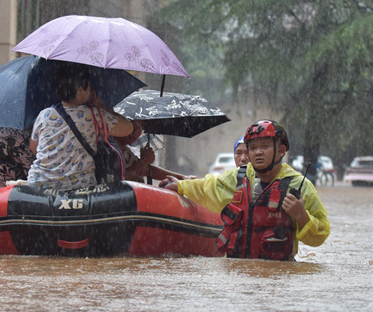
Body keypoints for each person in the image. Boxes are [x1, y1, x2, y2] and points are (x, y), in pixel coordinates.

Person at [161, 119, 329, 261]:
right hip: (238, 274)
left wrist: (301, 216)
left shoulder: (299, 186)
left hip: (277, 278)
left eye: (264, 146)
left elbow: (320, 235)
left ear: (281, 150)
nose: (258, 153)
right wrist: (181, 185)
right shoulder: (237, 177)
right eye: (253, 148)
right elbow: (208, 187)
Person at [27, 63, 133, 191]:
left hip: (40, 185)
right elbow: (128, 128)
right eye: (88, 86)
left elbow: (34, 148)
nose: (90, 90)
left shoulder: (45, 115)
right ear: (80, 91)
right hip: (79, 188)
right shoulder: (95, 115)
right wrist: (101, 106)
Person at [114, 120, 191, 183]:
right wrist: (143, 161)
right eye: (134, 125)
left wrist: (183, 178)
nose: (137, 131)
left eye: (142, 126)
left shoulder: (126, 152)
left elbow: (146, 170)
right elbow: (121, 176)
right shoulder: (110, 151)